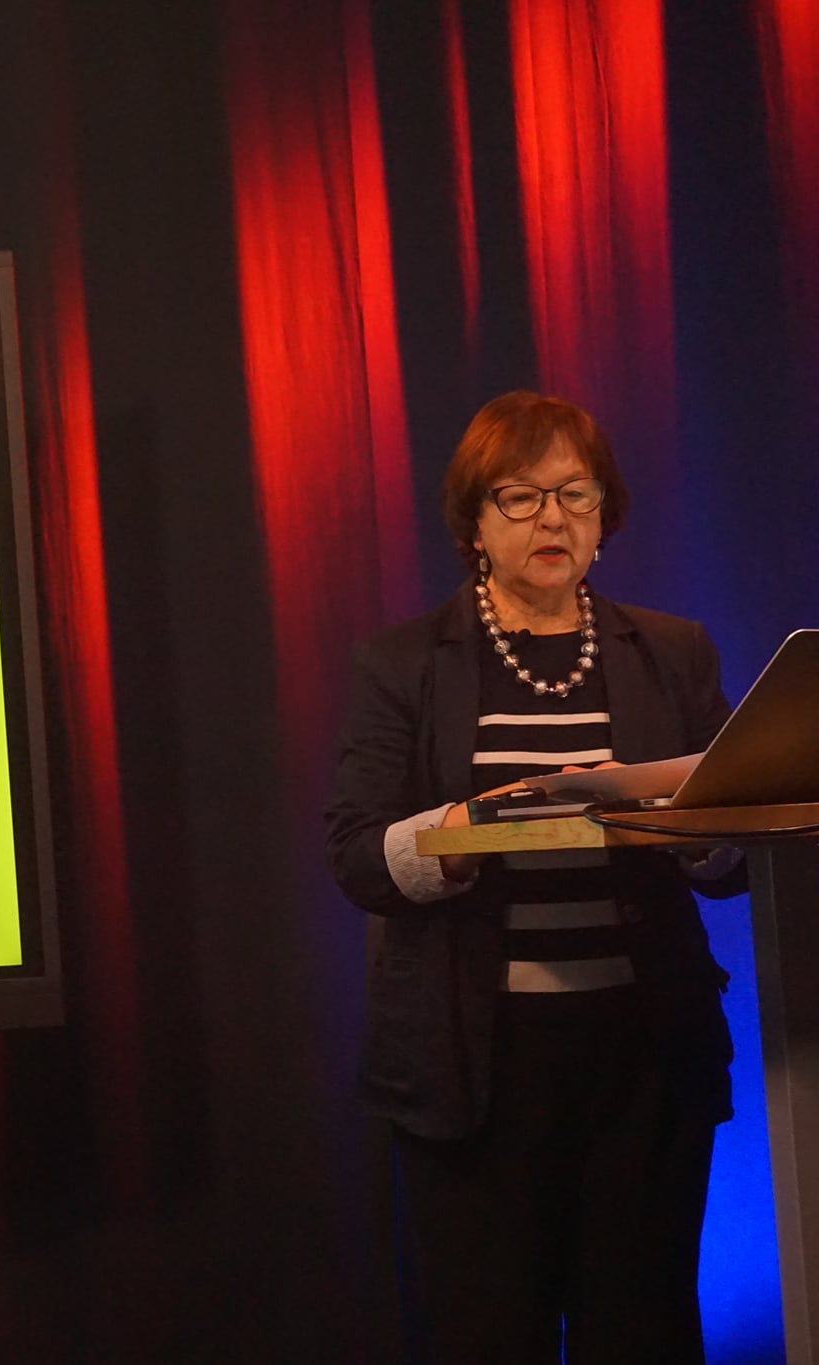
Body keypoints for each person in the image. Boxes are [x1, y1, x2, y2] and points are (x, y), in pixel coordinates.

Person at [325, 391, 741, 1364]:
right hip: (474, 1065)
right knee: (486, 1333)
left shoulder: (671, 649)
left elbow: (728, 852)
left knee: (640, 1331)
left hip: (643, 1060)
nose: (551, 518)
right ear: (473, 522)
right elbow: (356, 854)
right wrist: (464, 829)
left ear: (604, 514)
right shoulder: (402, 664)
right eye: (519, 496)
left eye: (574, 493)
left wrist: (692, 833)